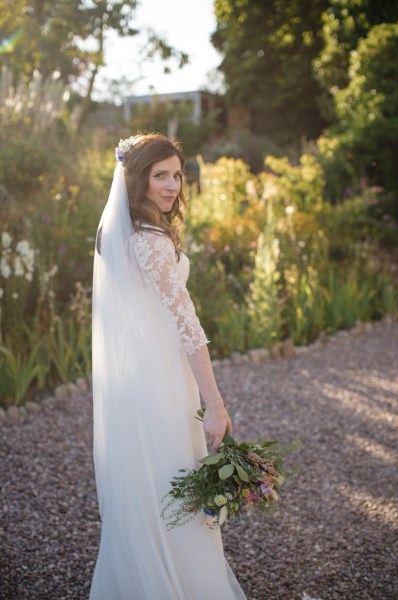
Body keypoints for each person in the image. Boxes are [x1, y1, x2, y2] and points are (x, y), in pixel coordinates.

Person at [90, 133, 247, 599]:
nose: (172, 184)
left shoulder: (121, 237)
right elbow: (188, 327)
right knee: (174, 485)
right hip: (161, 384)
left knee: (153, 489)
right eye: (160, 175)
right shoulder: (151, 242)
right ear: (137, 179)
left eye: (177, 174)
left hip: (137, 383)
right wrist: (214, 404)